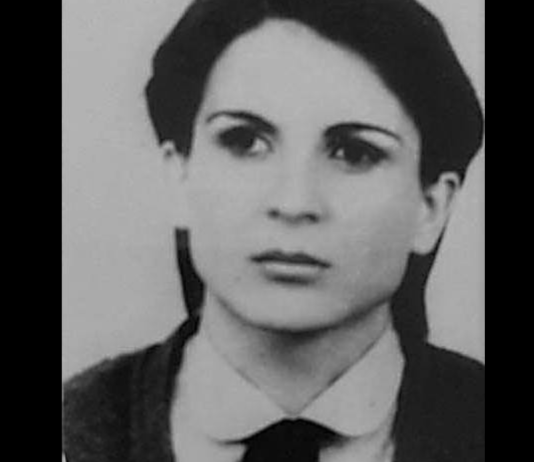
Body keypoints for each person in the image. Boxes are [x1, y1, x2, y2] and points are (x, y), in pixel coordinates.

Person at [63, 0, 484, 461]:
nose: (293, 202)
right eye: (245, 142)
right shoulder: (75, 428)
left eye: (354, 153)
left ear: (431, 206)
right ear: (180, 176)